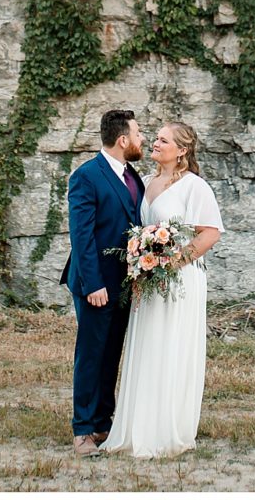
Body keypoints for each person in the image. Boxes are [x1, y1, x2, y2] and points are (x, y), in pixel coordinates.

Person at [101, 121, 223, 459]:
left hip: (179, 281)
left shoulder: (194, 187)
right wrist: (142, 259)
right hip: (149, 280)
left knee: (171, 346)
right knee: (148, 346)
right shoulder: (147, 183)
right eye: (154, 138)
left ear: (181, 150)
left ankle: (167, 429)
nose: (155, 143)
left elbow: (210, 233)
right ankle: (137, 426)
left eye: (163, 140)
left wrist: (170, 263)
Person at [60, 108, 145, 457]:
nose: (142, 140)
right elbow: (81, 236)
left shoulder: (132, 176)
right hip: (95, 284)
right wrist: (94, 284)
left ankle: (102, 422)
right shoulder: (87, 176)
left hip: (124, 284)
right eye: (138, 135)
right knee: (91, 355)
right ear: (123, 139)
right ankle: (82, 430)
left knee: (111, 355)